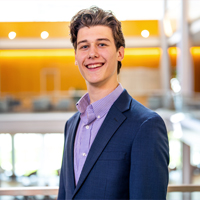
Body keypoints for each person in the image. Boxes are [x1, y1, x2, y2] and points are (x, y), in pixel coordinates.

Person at [58, 6, 169, 200]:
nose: (92, 53)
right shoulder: (72, 125)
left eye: (102, 44)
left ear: (120, 53)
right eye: (84, 46)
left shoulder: (146, 126)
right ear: (76, 56)